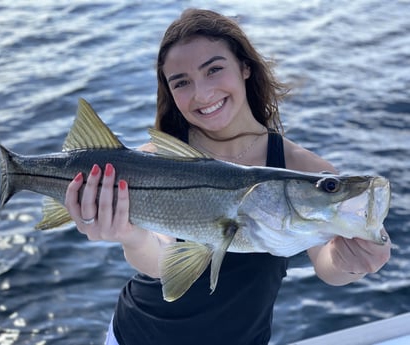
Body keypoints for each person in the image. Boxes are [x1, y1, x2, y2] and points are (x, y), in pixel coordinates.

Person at [64, 8, 391, 345]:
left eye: (214, 70)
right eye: (182, 82)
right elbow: (160, 261)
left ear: (245, 67)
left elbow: (326, 262)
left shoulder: (302, 168)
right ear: (170, 92)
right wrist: (130, 236)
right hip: (135, 335)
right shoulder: (155, 160)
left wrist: (352, 260)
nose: (202, 93)